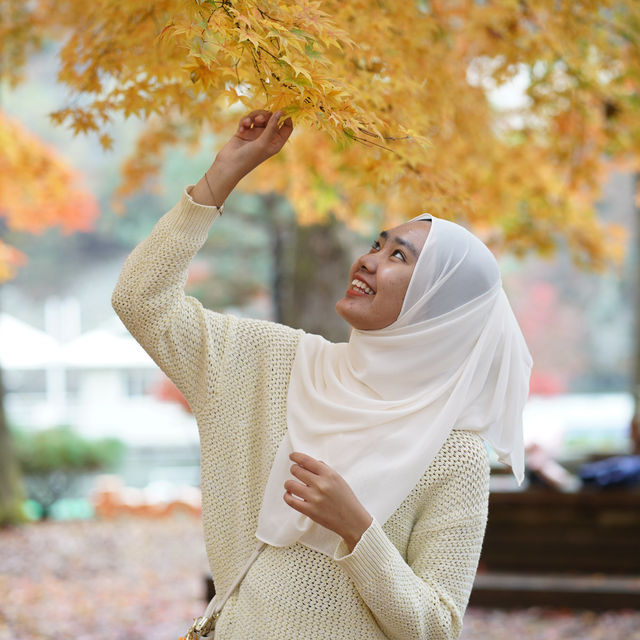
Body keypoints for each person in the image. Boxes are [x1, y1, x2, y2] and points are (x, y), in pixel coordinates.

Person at [112, 110, 532, 639]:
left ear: (437, 306)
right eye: (378, 244)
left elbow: (438, 628)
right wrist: (225, 173)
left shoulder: (455, 453)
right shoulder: (278, 363)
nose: (369, 260)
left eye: (400, 256)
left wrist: (357, 529)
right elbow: (140, 300)